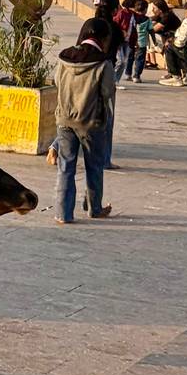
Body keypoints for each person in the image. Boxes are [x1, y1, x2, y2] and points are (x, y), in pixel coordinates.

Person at [51, 21, 115, 223]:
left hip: (65, 119)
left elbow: (56, 82)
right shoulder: (103, 63)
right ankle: (94, 208)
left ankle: (63, 213)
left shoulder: (64, 57)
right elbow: (107, 92)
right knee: (94, 167)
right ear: (104, 39)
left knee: (65, 167)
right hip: (91, 122)